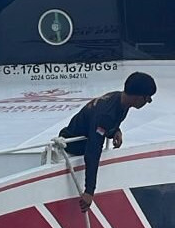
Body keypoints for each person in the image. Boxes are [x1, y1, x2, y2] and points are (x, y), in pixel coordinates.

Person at [58, 72, 157, 211]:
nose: (148, 102)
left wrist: (116, 131)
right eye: (148, 98)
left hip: (86, 135)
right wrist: (89, 191)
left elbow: (106, 124)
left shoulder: (120, 99)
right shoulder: (106, 114)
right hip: (73, 146)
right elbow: (93, 151)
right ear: (139, 97)